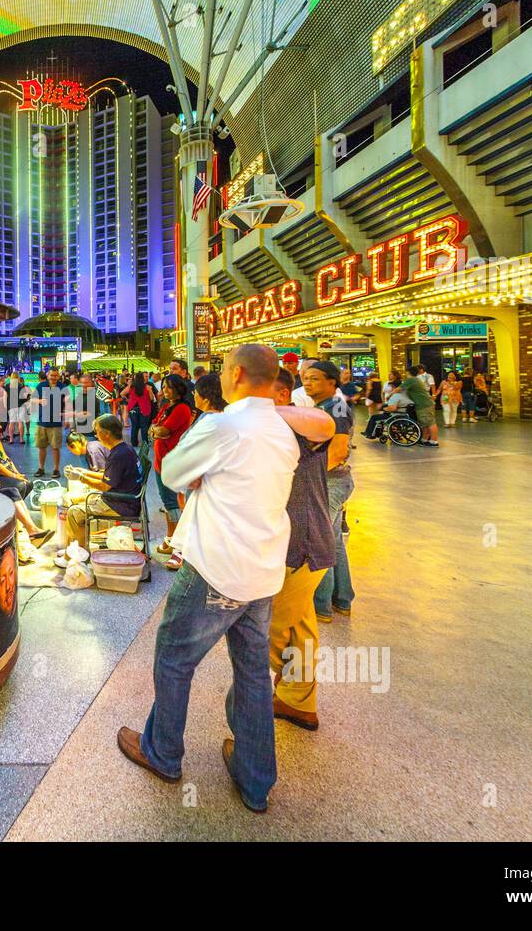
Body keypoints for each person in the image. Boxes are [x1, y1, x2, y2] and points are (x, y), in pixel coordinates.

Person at [117, 344, 299, 814]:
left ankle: (163, 753)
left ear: (236, 374)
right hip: (263, 572)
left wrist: (199, 474)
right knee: (254, 674)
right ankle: (255, 778)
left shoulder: (223, 425)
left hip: (217, 569)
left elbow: (173, 472)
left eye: (220, 370)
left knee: (174, 658)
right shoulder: (282, 429)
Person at [269, 367, 337, 730]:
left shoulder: (300, 427)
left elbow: (324, 424)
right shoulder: (276, 428)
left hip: (302, 543)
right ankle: (299, 700)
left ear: (281, 395)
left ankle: (292, 686)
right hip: (298, 541)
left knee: (267, 623)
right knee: (299, 625)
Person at [301, 361, 356, 621]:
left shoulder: (336, 406)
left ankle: (320, 606)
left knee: (319, 542)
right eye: (305, 378)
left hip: (330, 482)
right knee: (332, 542)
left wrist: (310, 476)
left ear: (331, 382)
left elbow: (339, 449)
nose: (307, 382)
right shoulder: (324, 406)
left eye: (314, 378)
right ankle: (342, 599)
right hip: (332, 480)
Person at [58, 414, 142, 557]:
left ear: (107, 433)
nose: (96, 435)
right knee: (73, 500)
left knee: (74, 513)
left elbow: (104, 486)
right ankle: (74, 547)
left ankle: (76, 556)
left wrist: (81, 478)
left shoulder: (118, 455)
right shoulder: (125, 449)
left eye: (97, 431)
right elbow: (108, 477)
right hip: (121, 499)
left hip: (119, 504)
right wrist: (83, 472)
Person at [148, 374, 194, 568]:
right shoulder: (167, 406)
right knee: (168, 502)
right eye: (164, 387)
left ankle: (178, 548)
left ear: (179, 389)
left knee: (172, 503)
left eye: (168, 387)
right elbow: (153, 427)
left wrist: (157, 430)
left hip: (172, 462)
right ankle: (170, 539)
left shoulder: (182, 409)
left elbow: (163, 431)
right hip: (161, 461)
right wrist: (156, 429)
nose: (164, 391)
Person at [32, 367, 71, 478]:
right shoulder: (41, 386)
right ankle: (41, 468)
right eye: (51, 375)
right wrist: (39, 401)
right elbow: (32, 399)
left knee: (55, 447)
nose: (53, 377)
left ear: (58, 376)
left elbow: (67, 402)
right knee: (41, 447)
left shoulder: (63, 387)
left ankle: (56, 469)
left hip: (55, 423)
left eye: (55, 375)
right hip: (42, 422)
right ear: (48, 375)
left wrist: (68, 418)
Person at [401, 365, 439, 446]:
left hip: (424, 404)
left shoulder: (411, 380)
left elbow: (399, 389)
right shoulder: (416, 379)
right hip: (423, 404)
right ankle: (424, 439)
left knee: (430, 422)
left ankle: (434, 441)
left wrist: (389, 395)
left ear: (408, 372)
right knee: (425, 423)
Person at [121, 372, 156, 448]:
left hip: (133, 408)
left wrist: (128, 400)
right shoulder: (147, 387)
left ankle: (134, 443)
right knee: (144, 427)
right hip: (145, 408)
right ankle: (145, 444)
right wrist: (150, 391)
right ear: (143, 379)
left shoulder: (131, 387)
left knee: (134, 426)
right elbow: (151, 398)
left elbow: (122, 393)